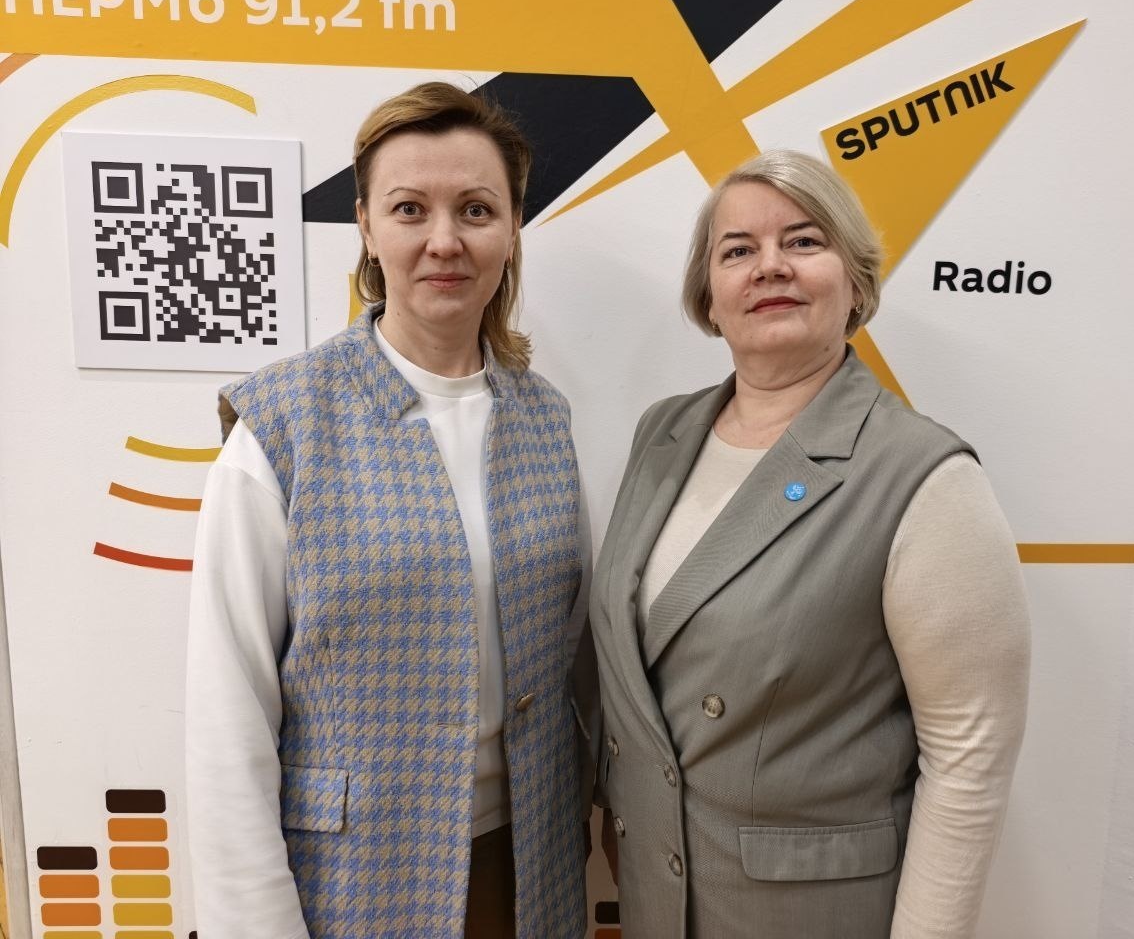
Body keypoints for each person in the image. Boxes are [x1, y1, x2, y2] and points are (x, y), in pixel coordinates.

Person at [185, 81, 592, 939]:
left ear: (513, 229)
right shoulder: (283, 427)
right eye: (410, 209)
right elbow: (229, 713)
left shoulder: (545, 419)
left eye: (476, 210)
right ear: (367, 226)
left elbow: (573, 659)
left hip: (531, 868)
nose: (445, 240)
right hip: (350, 882)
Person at [590, 149, 1029, 938]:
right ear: (710, 297)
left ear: (855, 282)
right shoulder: (662, 432)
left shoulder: (923, 476)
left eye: (803, 241)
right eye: (738, 250)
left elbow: (968, 759)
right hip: (657, 901)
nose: (770, 266)